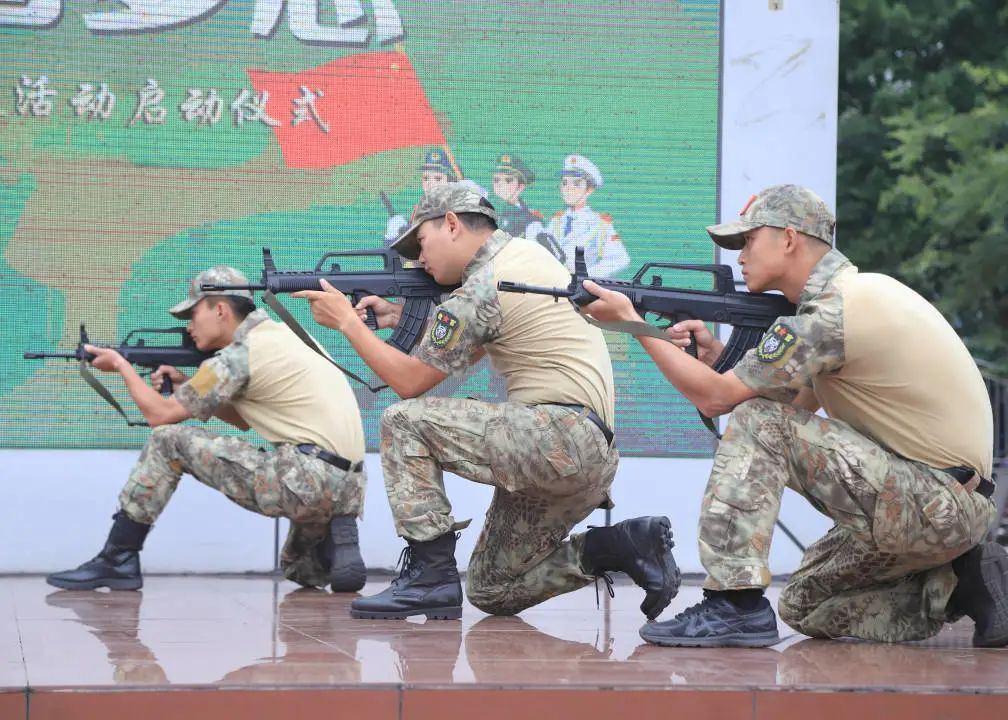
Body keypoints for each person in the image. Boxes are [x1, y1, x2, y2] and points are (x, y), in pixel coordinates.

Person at [579, 184, 1006, 648]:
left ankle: (734, 604)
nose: (740, 256)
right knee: (804, 604)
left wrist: (633, 325)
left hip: (937, 502)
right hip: (935, 506)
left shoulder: (835, 309)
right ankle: (961, 583)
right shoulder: (851, 300)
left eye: (748, 240)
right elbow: (788, 412)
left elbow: (730, 407)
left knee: (759, 421)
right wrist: (717, 358)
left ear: (788, 239)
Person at [293, 182, 679, 621]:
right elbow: (467, 345)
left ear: (451, 224)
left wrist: (347, 322)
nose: (420, 260)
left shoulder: (484, 284)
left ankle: (429, 577)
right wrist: (400, 316)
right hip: (586, 454)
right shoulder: (524, 257)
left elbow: (410, 381)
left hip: (557, 437)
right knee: (492, 588)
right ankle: (620, 545)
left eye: (421, 243)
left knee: (404, 421)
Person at [45, 267, 369, 594]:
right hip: (350, 486)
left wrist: (120, 365)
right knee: (300, 569)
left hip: (305, 479)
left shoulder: (238, 355)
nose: (189, 326)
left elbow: (160, 416)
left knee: (167, 441)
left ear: (220, 309)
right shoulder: (287, 336)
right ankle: (337, 535)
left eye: (193, 314)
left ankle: (118, 558)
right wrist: (186, 385)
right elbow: (242, 419)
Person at [547, 154, 629, 278]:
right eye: (564, 183)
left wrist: (585, 276)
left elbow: (620, 259)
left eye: (576, 184)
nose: (568, 189)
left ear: (589, 189)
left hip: (579, 286)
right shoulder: (556, 221)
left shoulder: (600, 224)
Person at [490, 153, 563, 262]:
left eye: (508, 180)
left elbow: (557, 257)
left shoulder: (531, 223)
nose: (500, 184)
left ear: (520, 186)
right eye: (496, 180)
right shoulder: (493, 214)